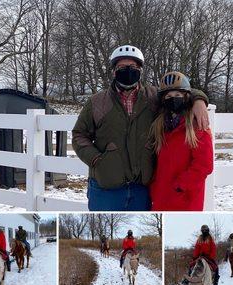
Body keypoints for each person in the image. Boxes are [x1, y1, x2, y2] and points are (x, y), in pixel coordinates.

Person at [72, 44, 209, 211]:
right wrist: (97, 160)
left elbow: (176, 89)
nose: (128, 71)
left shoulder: (153, 97)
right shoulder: (97, 102)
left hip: (141, 189)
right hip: (106, 187)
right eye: (122, 67)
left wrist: (199, 99)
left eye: (133, 67)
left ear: (140, 70)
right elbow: (79, 135)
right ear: (114, 71)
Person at [149, 71, 213, 211]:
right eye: (169, 96)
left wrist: (181, 185)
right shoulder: (161, 126)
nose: (173, 99)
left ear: (186, 97)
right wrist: (154, 186)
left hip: (185, 197)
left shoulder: (197, 126)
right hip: (161, 196)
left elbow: (204, 165)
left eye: (178, 95)